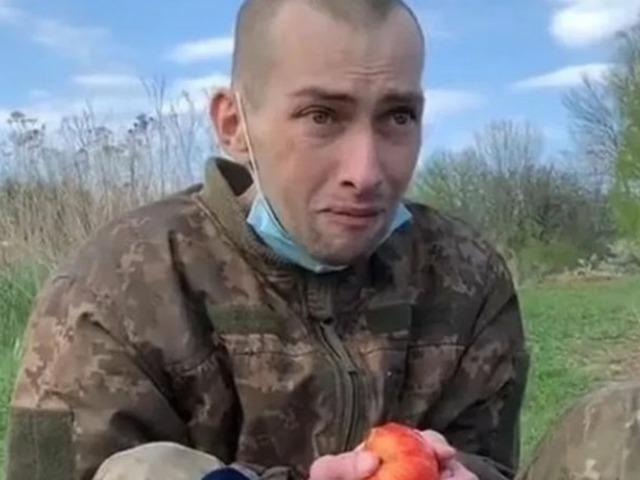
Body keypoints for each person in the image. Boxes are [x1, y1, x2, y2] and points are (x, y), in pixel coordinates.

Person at [4, 1, 529, 479]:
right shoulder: (113, 290)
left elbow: (492, 459)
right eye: (321, 116)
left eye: (398, 116)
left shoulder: (466, 275)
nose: (366, 173)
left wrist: (460, 472)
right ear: (234, 125)